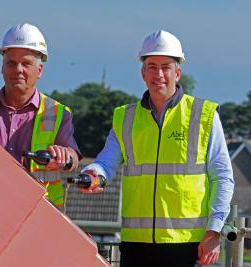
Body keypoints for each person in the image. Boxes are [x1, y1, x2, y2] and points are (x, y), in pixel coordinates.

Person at [81, 30, 234, 266]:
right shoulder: (126, 118)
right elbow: (106, 162)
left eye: (166, 67)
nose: (159, 74)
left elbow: (223, 177)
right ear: (143, 73)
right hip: (136, 244)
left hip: (187, 244)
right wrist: (94, 174)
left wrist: (214, 230)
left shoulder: (202, 116)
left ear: (178, 72)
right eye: (151, 66)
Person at [0, 23, 81, 210]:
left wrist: (65, 157)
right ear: (2, 68)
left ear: (40, 70)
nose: (18, 69)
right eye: (11, 63)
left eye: (26, 63)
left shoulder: (58, 113)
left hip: (38, 214)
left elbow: (73, 158)